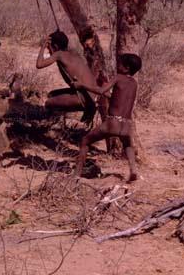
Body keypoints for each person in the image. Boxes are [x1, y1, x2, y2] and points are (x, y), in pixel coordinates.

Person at [72, 53, 142, 182]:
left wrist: (82, 85)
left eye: (119, 64)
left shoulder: (118, 78)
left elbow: (100, 91)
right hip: (126, 125)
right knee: (127, 145)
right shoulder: (134, 83)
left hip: (112, 122)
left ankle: (76, 174)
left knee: (85, 141)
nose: (117, 66)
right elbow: (117, 98)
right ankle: (133, 170)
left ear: (126, 68)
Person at [36, 30, 97, 124]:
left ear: (55, 46)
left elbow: (39, 65)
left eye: (49, 47)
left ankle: (51, 124)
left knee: (48, 103)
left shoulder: (59, 54)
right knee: (52, 94)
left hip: (83, 98)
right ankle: (62, 121)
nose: (48, 50)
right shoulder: (74, 53)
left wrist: (43, 46)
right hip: (92, 96)